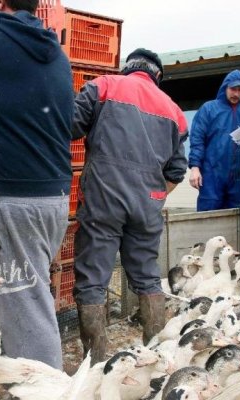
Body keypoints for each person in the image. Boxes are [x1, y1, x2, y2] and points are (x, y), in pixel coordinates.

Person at [0, 0, 74, 369]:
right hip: (54, 195)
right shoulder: (55, 52)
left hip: (17, 198)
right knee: (34, 296)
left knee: (26, 309)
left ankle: (43, 386)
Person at [71, 48, 188, 363]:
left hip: (103, 199)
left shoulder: (104, 86)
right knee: (147, 277)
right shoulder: (174, 111)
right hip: (147, 205)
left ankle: (95, 363)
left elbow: (69, 125)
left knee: (93, 279)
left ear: (128, 68)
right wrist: (152, 197)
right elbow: (176, 171)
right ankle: (157, 356)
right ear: (157, 76)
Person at [188, 70, 240, 211]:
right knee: (208, 215)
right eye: (233, 89)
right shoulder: (209, 109)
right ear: (225, 87)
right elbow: (197, 139)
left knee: (237, 217)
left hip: (239, 178)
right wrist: (195, 167)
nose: (236, 94)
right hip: (211, 175)